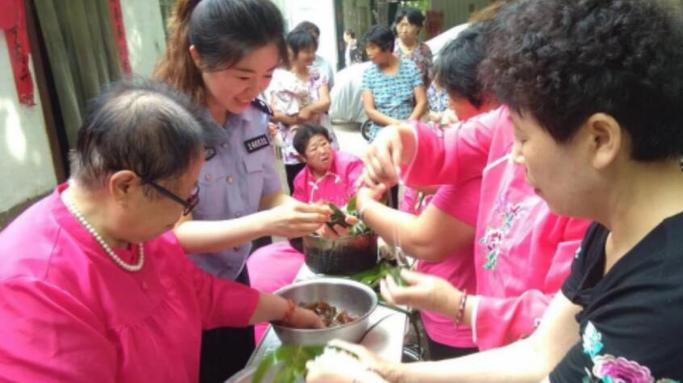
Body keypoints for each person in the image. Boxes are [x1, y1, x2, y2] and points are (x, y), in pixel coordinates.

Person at [307, 0, 683, 381]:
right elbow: (539, 353)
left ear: (600, 139)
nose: (513, 157)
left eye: (522, 138)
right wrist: (393, 373)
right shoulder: (612, 231)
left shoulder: (663, 304)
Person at [0, 79, 324, 383]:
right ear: (125, 186)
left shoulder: (139, 233)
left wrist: (288, 311)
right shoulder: (34, 287)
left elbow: (199, 294)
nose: (186, 210)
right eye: (184, 197)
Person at [152, 1, 334, 381]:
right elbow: (178, 233)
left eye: (267, 75)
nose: (254, 89)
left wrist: (305, 214)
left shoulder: (254, 116)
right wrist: (268, 221)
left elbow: (270, 193)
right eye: (242, 76)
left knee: (241, 369)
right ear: (199, 57)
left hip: (235, 275)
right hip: (180, 292)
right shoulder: (168, 127)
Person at [248, 124, 364, 342]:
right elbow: (298, 220)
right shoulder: (301, 179)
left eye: (324, 143)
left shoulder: (350, 164)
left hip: (350, 241)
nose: (323, 151)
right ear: (302, 157)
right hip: (314, 243)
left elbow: (362, 204)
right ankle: (264, 336)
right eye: (314, 149)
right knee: (258, 262)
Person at [267, 29, 337, 193]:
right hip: (293, 145)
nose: (312, 55)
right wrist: (297, 119)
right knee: (299, 187)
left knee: (327, 184)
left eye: (313, 50)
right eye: (307, 51)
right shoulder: (279, 79)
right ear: (292, 51)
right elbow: (274, 113)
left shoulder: (317, 75)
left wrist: (309, 109)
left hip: (319, 139)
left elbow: (325, 101)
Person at [361, 25, 427, 143]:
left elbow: (422, 102)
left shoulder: (410, 68)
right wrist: (396, 124)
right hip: (381, 135)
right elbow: (369, 110)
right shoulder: (368, 74)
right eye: (367, 48)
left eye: (372, 48)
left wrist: (408, 124)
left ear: (387, 47)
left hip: (409, 131)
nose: (368, 53)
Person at [393, 7, 433, 87]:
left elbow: (430, 79)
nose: (404, 30)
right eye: (400, 25)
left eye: (408, 25)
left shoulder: (425, 50)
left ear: (418, 27)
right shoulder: (389, 47)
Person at [292, 21, 335, 88]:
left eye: (316, 38)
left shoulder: (325, 65)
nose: (314, 42)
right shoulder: (284, 72)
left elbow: (330, 93)